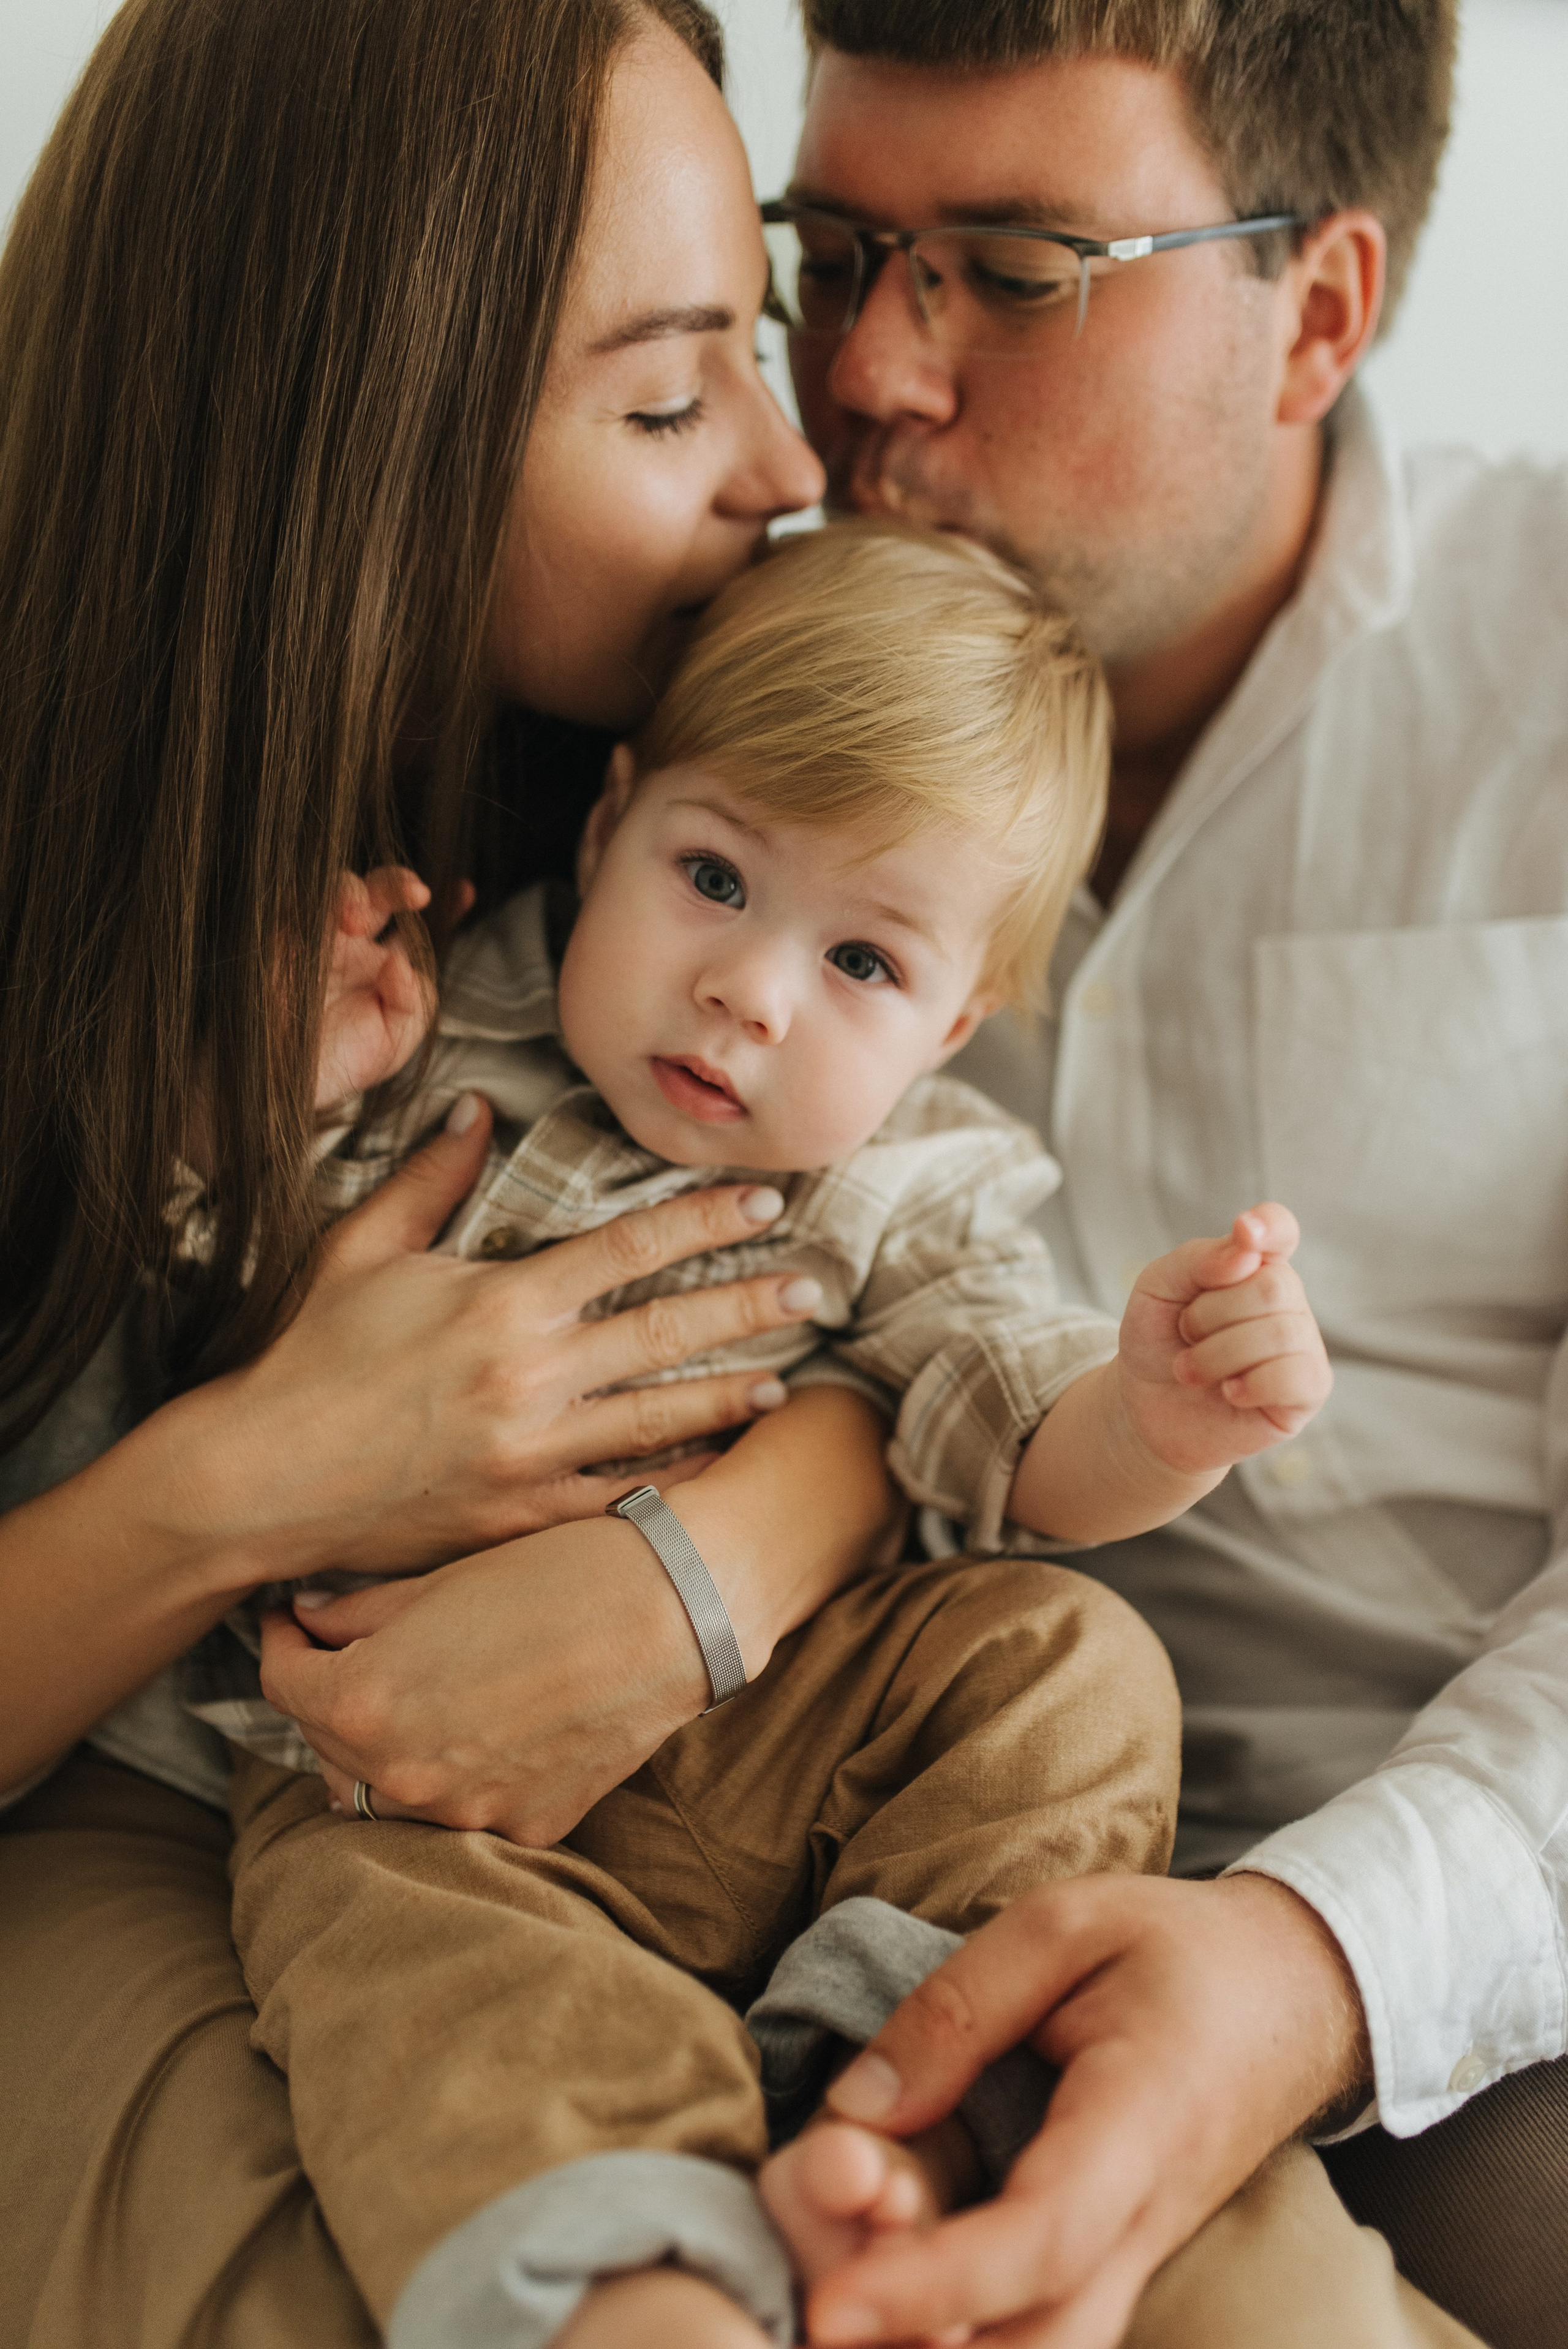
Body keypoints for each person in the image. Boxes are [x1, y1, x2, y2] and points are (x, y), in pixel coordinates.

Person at [197, 517, 1338, 2349]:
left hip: (788, 1732)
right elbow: (199, 1314)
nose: (753, 989)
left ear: (955, 1019)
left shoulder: (913, 1184)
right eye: (715, 875)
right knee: (407, 1963)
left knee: (1072, 1659)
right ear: (607, 825)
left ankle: (900, 2102)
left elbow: (1007, 1428)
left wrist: (1161, 1415)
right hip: (414, 1755)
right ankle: (647, 2280)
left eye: (865, 963)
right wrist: (254, 1092)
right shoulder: (431, 1047)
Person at [0, 4, 890, 2343]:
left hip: (679, 1771)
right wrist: (267, 1471)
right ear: (352, 450)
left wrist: (703, 1566)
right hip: (154, 1819)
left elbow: (911, 1289)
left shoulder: (652, 822)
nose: (788, 465)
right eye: (670, 396)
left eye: (757, 352)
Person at [743, 4, 1568, 2347]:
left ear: (1314, 312)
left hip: (1477, 1912)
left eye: (1011, 266)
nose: (871, 375)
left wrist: (1312, 1963)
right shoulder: (705, 717)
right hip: (905, 1845)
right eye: (838, 247)